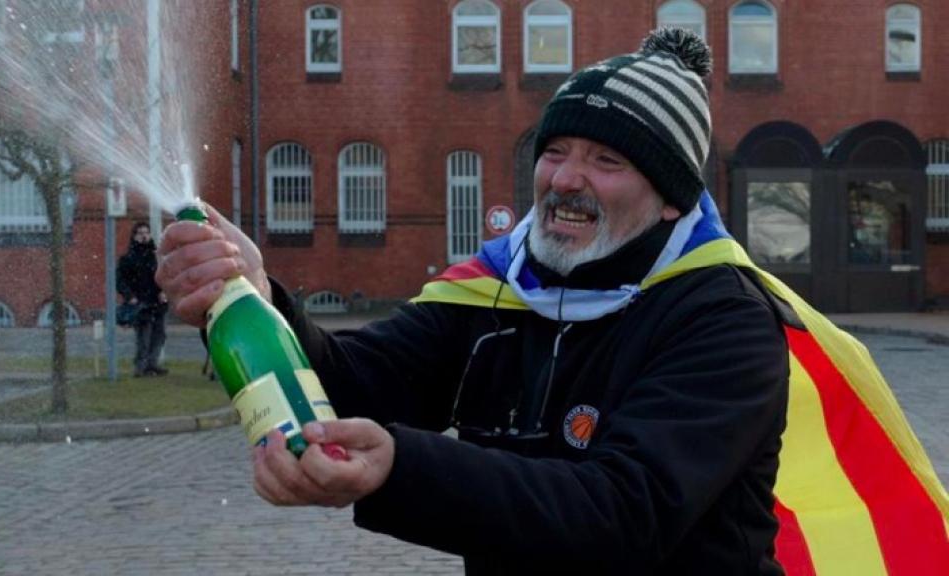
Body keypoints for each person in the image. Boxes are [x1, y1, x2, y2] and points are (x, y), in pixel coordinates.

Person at [157, 29, 790, 573]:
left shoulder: (723, 317)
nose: (567, 178)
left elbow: (622, 512)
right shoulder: (495, 289)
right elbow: (357, 385)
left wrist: (399, 467)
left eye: (607, 160)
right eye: (555, 151)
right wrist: (252, 294)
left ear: (671, 198)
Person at [117, 221, 169, 377]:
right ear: (135, 236)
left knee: (159, 335)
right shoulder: (129, 258)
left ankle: (152, 364)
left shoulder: (157, 255)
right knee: (143, 336)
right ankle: (141, 367)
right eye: (140, 233)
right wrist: (129, 296)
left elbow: (165, 275)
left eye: (146, 232)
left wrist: (163, 291)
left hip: (157, 301)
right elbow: (120, 280)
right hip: (140, 302)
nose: (144, 236)